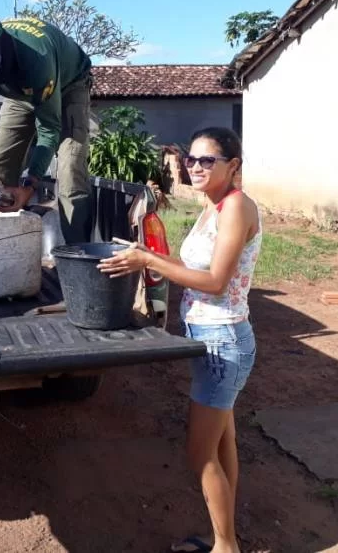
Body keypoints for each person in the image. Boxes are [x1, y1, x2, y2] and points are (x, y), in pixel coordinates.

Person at [97, 127, 261, 553]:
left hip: (222, 340)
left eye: (208, 160)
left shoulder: (236, 207)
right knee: (222, 444)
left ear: (234, 166)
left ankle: (226, 547)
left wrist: (150, 259)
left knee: (198, 453)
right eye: (191, 159)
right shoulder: (213, 206)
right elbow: (190, 266)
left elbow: (215, 281)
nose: (196, 167)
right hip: (208, 337)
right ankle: (223, 538)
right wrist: (141, 253)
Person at [0, 13, 93, 244]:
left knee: (70, 173)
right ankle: (6, 253)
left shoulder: (36, 59)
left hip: (69, 84)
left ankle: (77, 257)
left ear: (5, 47)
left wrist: (29, 185)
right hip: (20, 91)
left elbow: (49, 128)